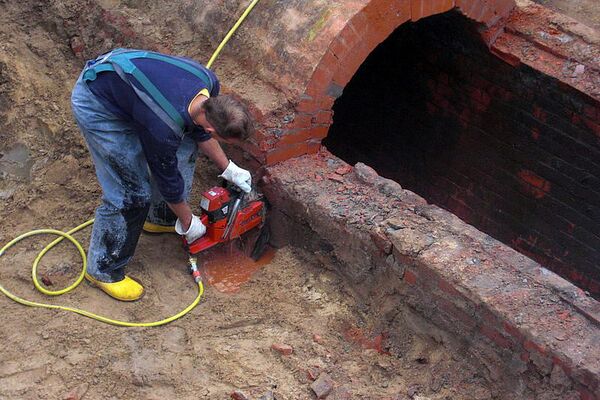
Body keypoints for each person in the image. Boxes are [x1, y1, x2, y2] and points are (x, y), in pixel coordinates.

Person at [71, 48, 254, 301]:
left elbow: (199, 131)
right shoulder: (163, 126)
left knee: (186, 145)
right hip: (99, 103)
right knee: (131, 192)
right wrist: (189, 221)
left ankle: (161, 219)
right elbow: (166, 178)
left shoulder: (209, 83)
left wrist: (228, 168)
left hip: (132, 90)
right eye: (221, 138)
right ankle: (102, 269)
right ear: (213, 125)